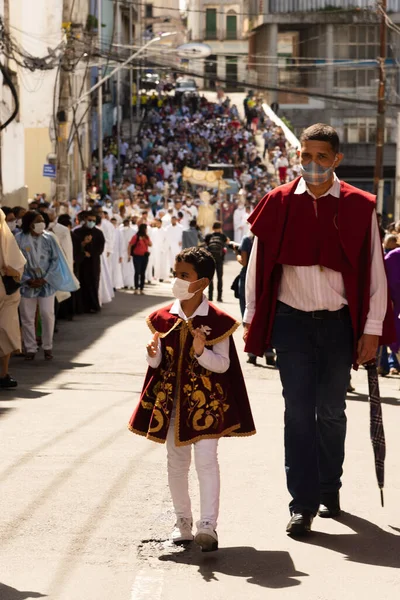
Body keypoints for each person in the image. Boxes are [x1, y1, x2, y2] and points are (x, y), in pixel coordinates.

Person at [244, 123, 394, 536]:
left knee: (331, 412)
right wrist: (252, 319)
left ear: (336, 160)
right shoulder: (276, 203)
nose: (312, 164)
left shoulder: (359, 206)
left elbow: (375, 275)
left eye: (320, 157)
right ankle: (302, 503)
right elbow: (258, 269)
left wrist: (372, 329)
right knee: (297, 414)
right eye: (305, 156)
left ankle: (330, 488)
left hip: (338, 326)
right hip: (291, 324)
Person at [128, 247, 256, 551]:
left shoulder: (219, 320)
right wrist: (152, 355)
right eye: (176, 274)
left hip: (207, 405)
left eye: (184, 275)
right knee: (176, 461)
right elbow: (158, 365)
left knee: (206, 460)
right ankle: (182, 522)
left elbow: (223, 365)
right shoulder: (162, 317)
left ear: (202, 283)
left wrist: (202, 351)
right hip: (171, 403)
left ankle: (208, 526)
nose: (177, 280)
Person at [16, 211, 78, 360]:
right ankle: (30, 348)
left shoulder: (49, 238)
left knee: (47, 314)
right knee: (27, 317)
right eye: (38, 221)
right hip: (27, 284)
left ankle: (47, 346)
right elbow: (16, 261)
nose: (41, 223)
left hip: (46, 284)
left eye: (42, 220)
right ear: (30, 223)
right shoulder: (19, 239)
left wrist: (45, 279)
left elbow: (56, 260)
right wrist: (27, 279)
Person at [0, 208, 26, 387]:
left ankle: (3, 374)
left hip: (7, 294)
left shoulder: (8, 241)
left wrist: (12, 271)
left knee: (6, 331)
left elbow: (18, 267)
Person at [72, 211, 105, 313]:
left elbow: (100, 248)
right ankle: (81, 307)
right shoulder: (77, 232)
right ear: (85, 220)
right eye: (90, 220)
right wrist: (83, 245)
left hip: (93, 263)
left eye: (93, 221)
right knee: (81, 283)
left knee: (93, 283)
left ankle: (93, 305)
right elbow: (75, 247)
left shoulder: (99, 233)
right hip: (81, 263)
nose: (91, 222)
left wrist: (91, 254)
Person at [205, 222, 228, 303]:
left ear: (212, 228)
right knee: (219, 278)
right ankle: (219, 297)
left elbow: (206, 245)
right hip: (219, 259)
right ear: (220, 228)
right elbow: (227, 242)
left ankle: (210, 297)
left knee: (210, 278)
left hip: (210, 259)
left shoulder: (209, 236)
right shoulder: (222, 236)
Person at [128, 223, 152, 295]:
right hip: (137, 256)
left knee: (142, 272)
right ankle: (136, 288)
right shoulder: (136, 236)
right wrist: (129, 255)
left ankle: (141, 288)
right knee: (137, 272)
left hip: (144, 256)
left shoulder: (146, 237)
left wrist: (144, 240)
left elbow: (150, 244)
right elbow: (130, 245)